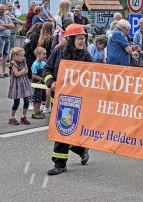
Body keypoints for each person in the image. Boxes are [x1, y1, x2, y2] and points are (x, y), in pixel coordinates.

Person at [44, 24, 92, 175]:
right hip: (58, 98)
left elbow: (93, 75)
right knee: (63, 129)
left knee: (63, 129)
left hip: (76, 99)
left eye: (83, 38)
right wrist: (51, 83)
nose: (82, 41)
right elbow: (47, 68)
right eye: (79, 38)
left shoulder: (86, 55)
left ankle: (60, 163)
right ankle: (80, 150)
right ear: (70, 39)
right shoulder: (58, 50)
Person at [7, 47, 31, 125]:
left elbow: (27, 70)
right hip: (16, 84)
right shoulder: (13, 63)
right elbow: (16, 74)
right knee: (16, 102)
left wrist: (23, 71)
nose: (22, 57)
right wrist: (23, 71)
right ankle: (12, 117)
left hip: (24, 82)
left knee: (27, 100)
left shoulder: (23, 60)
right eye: (20, 56)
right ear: (14, 56)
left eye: (23, 55)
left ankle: (23, 116)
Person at [0, 4, 15, 78]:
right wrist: (8, 26)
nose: (1, 10)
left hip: (7, 37)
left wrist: (4, 25)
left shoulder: (7, 17)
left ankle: (4, 71)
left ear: (5, 9)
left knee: (5, 54)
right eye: (0, 9)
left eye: (3, 9)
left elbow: (13, 26)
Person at [31, 47, 50, 118]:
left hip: (41, 84)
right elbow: (33, 75)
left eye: (45, 54)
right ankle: (34, 112)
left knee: (40, 98)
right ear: (38, 55)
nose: (45, 56)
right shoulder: (35, 64)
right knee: (36, 98)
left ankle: (38, 111)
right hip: (36, 83)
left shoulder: (43, 63)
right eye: (44, 54)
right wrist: (42, 79)